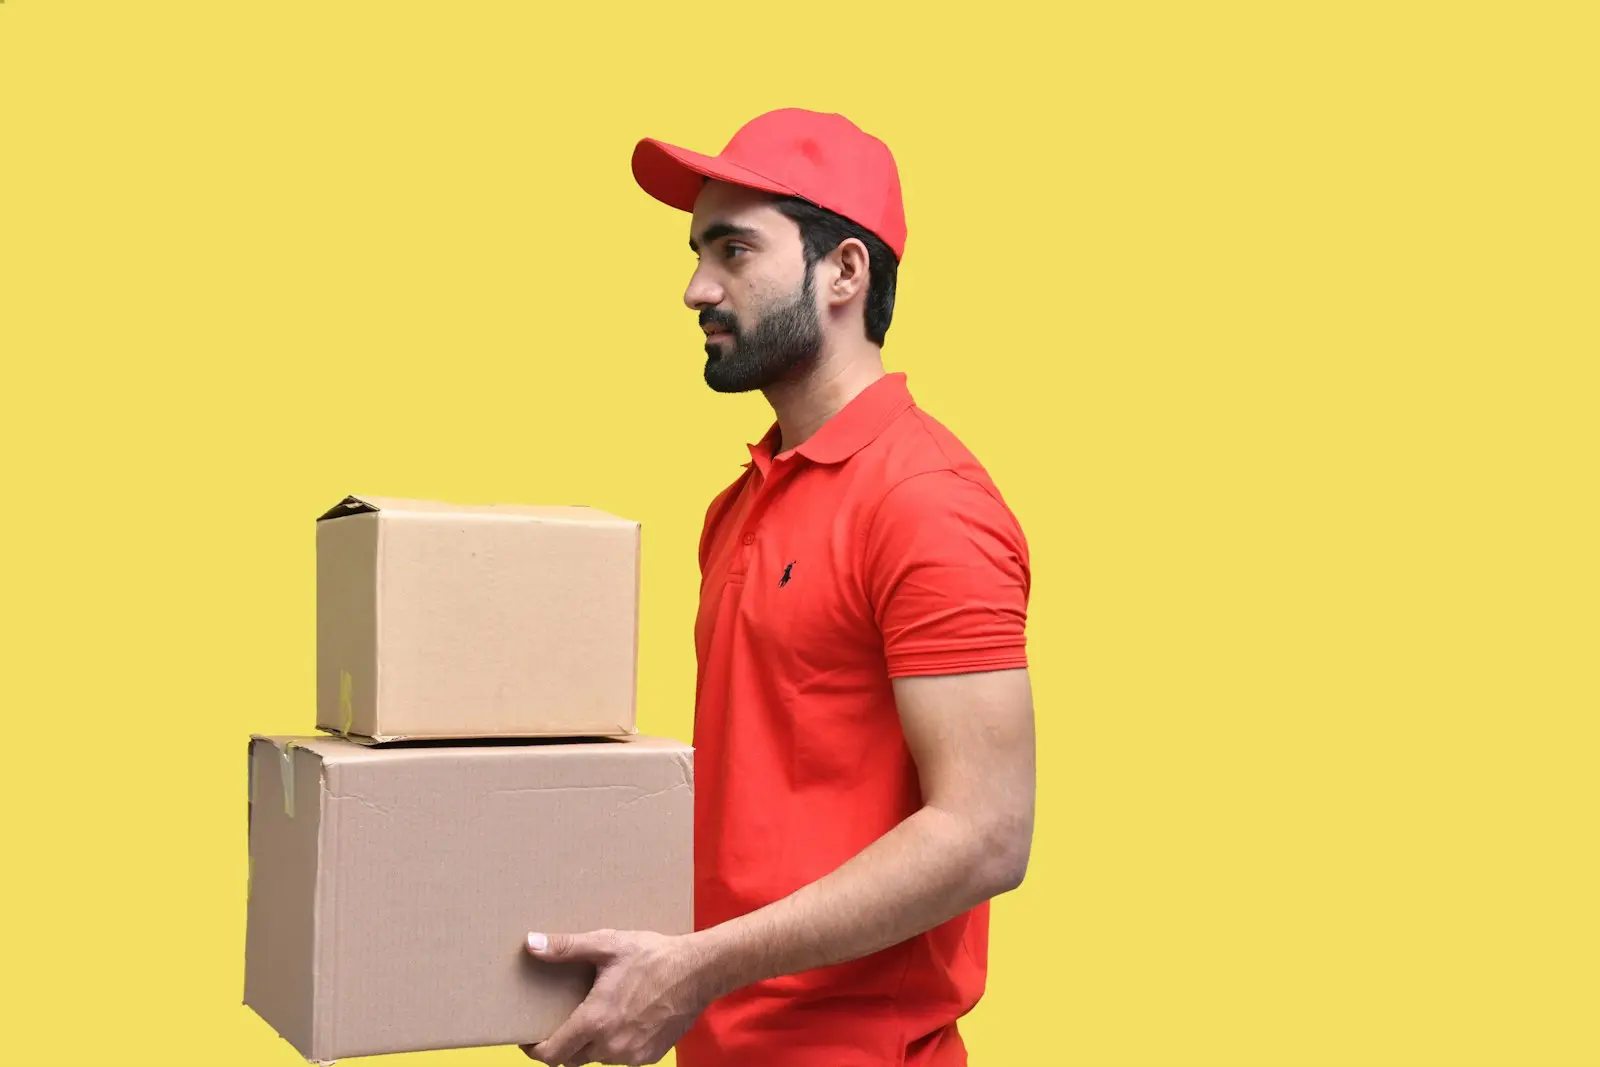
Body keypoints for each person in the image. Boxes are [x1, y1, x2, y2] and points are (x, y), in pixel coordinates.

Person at [521, 108, 1036, 1067]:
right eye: (696, 253)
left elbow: (987, 834)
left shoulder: (928, 502)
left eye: (733, 250)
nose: (695, 288)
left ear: (845, 271)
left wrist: (693, 969)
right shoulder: (739, 503)